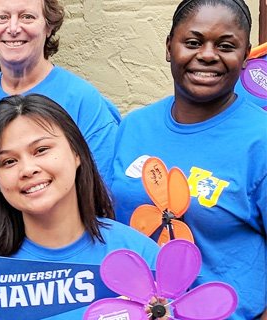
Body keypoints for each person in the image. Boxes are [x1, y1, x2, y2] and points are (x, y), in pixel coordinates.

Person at [108, 0, 266, 318]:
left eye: (225, 46)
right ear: (169, 47)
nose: (207, 54)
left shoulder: (260, 139)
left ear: (246, 55)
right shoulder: (134, 127)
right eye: (193, 42)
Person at [0, 94, 159, 319]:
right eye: (9, 161)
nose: (27, 169)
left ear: (76, 153)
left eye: (41, 150)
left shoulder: (139, 255)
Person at [0, 0, 120, 178]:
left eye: (27, 17)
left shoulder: (83, 101)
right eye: (2, 18)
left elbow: (102, 187)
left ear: (48, 26)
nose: (13, 28)